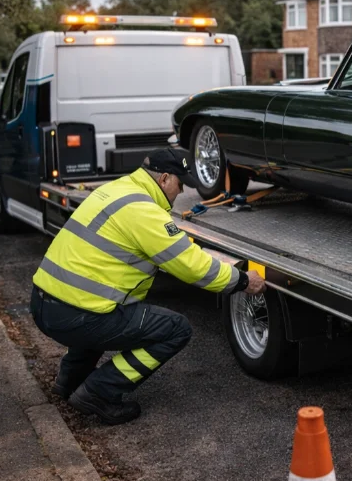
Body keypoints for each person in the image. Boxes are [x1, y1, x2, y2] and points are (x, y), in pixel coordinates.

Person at [29, 148, 265, 424]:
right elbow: (192, 267)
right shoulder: (144, 212)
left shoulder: (116, 190)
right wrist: (244, 281)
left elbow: (169, 247)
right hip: (76, 317)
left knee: (100, 310)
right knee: (175, 329)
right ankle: (99, 392)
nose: (180, 193)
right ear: (164, 179)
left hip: (43, 304)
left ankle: (69, 382)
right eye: (180, 184)